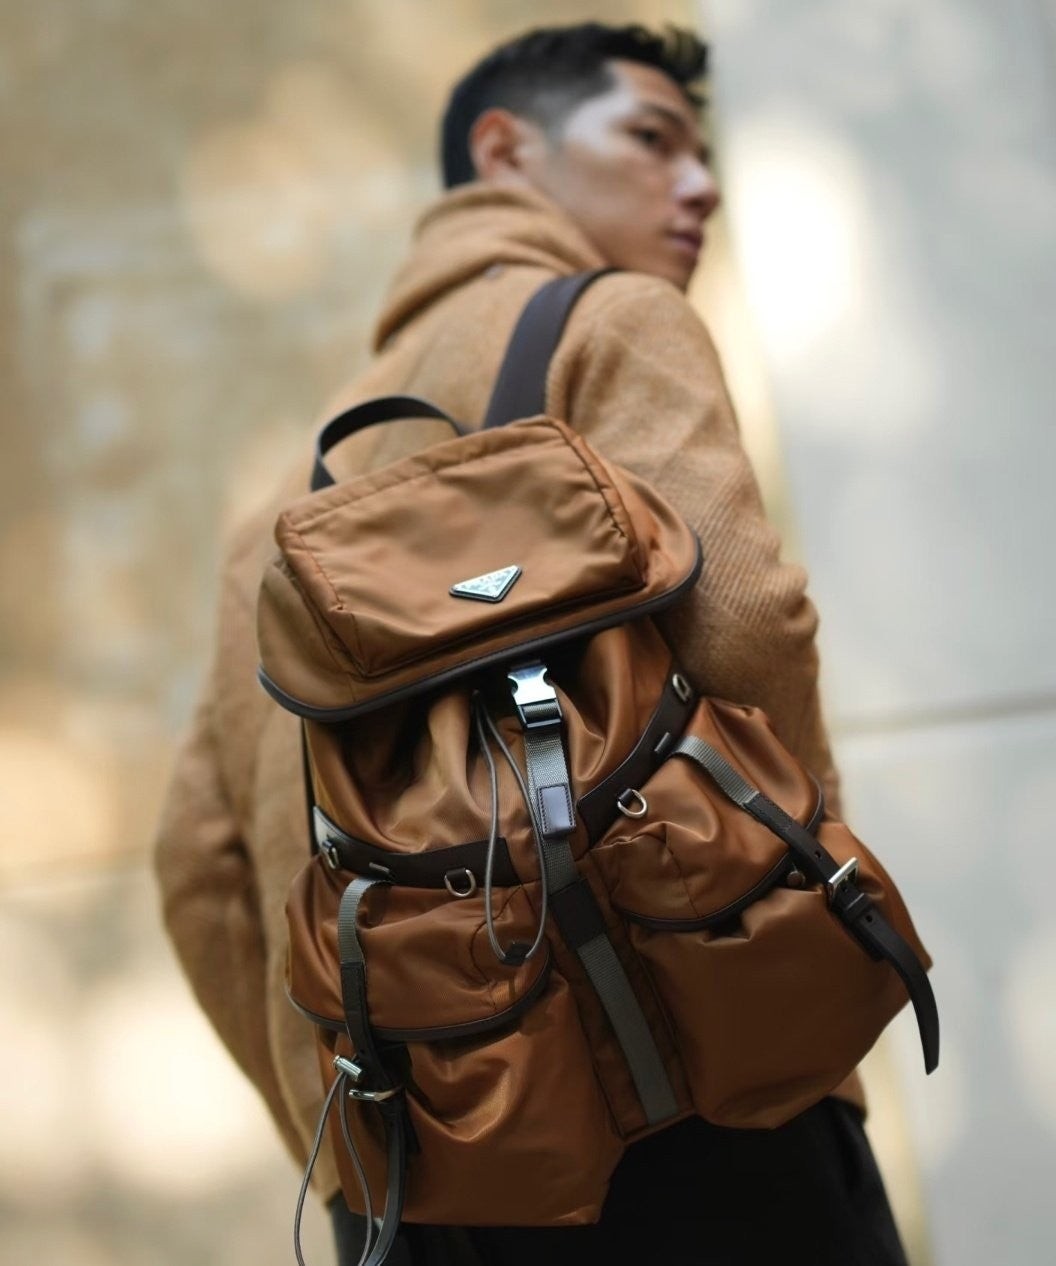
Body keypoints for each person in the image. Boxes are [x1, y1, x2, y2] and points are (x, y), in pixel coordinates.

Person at [156, 22, 909, 1266]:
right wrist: (801, 954)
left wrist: (354, 1142)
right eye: (654, 138)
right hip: (695, 1111)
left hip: (412, 1186)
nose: (701, 184)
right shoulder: (612, 324)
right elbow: (745, 623)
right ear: (505, 150)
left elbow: (196, 870)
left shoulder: (276, 525)